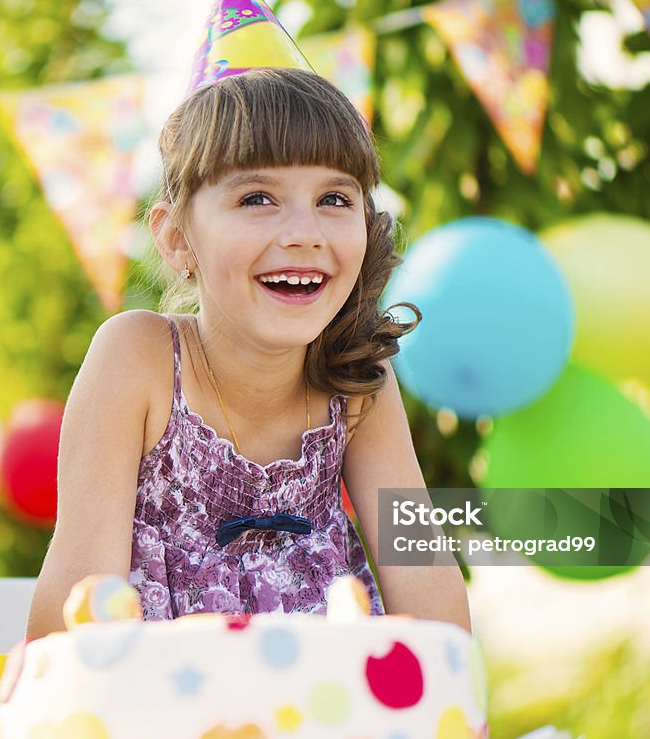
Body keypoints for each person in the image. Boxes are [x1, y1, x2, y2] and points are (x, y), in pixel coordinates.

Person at [27, 67, 470, 637]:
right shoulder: (138, 357)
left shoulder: (358, 376)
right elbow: (71, 610)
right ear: (176, 238)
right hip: (153, 713)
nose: (304, 232)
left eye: (334, 198)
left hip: (331, 714)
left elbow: (428, 585)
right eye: (258, 198)